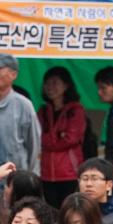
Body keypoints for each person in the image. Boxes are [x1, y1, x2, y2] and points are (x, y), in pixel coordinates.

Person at [0, 54, 41, 174]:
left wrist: (27, 175)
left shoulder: (24, 105)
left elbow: (34, 145)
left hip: (14, 176)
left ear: (13, 74)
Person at [38, 69, 87, 209]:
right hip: (46, 171)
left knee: (69, 210)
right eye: (47, 83)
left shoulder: (75, 110)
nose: (50, 87)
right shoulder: (43, 110)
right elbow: (37, 136)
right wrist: (59, 136)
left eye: (54, 83)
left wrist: (51, 140)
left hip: (69, 172)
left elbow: (71, 138)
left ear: (66, 86)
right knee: (51, 211)